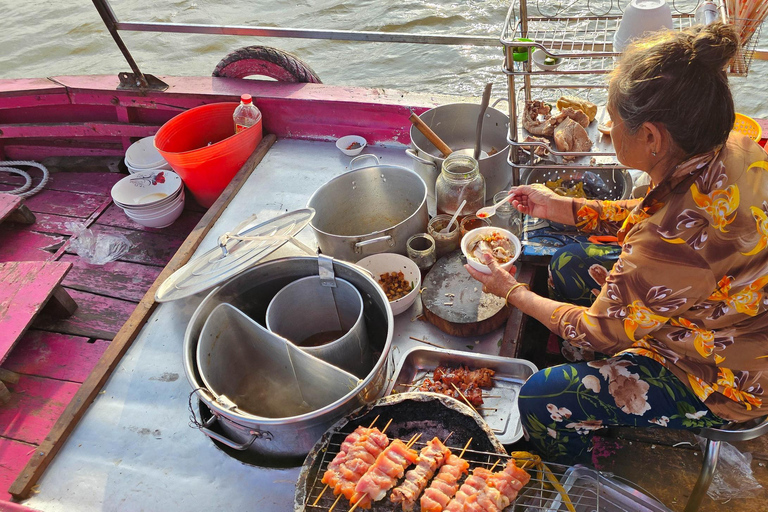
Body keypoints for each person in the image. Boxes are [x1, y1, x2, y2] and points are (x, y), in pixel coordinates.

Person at [466, 22, 768, 464]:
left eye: (613, 121)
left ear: (651, 137)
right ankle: (601, 382)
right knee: (570, 263)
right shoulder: (738, 148)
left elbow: (598, 330)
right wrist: (563, 208)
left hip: (726, 376)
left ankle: (582, 454)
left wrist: (510, 291)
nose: (607, 128)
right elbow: (659, 213)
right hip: (719, 310)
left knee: (539, 400)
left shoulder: (666, 243)